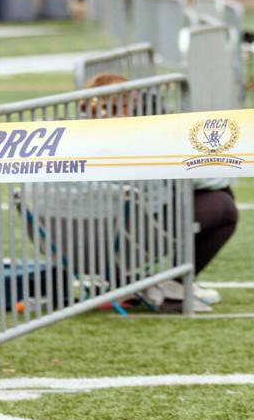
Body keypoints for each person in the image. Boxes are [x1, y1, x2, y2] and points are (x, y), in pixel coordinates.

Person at [85, 73, 234, 309]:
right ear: (128, 102)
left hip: (80, 239)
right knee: (223, 204)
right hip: (131, 234)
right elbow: (211, 180)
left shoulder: (72, 135)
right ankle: (173, 282)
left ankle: (134, 282)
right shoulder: (143, 137)